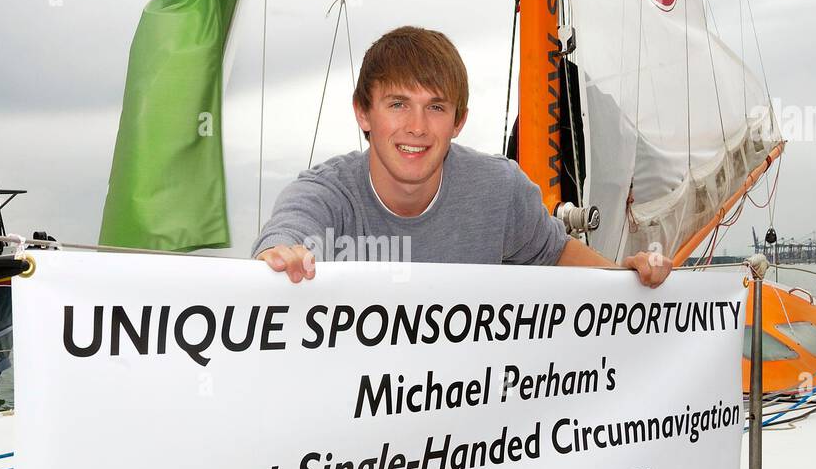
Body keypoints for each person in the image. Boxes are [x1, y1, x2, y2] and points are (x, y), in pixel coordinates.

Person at [253, 26, 672, 288]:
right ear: (363, 112)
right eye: (397, 104)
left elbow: (555, 253)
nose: (417, 127)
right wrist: (277, 258)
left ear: (458, 121)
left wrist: (629, 280)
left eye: (436, 107)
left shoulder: (498, 190)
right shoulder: (328, 194)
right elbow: (287, 233)